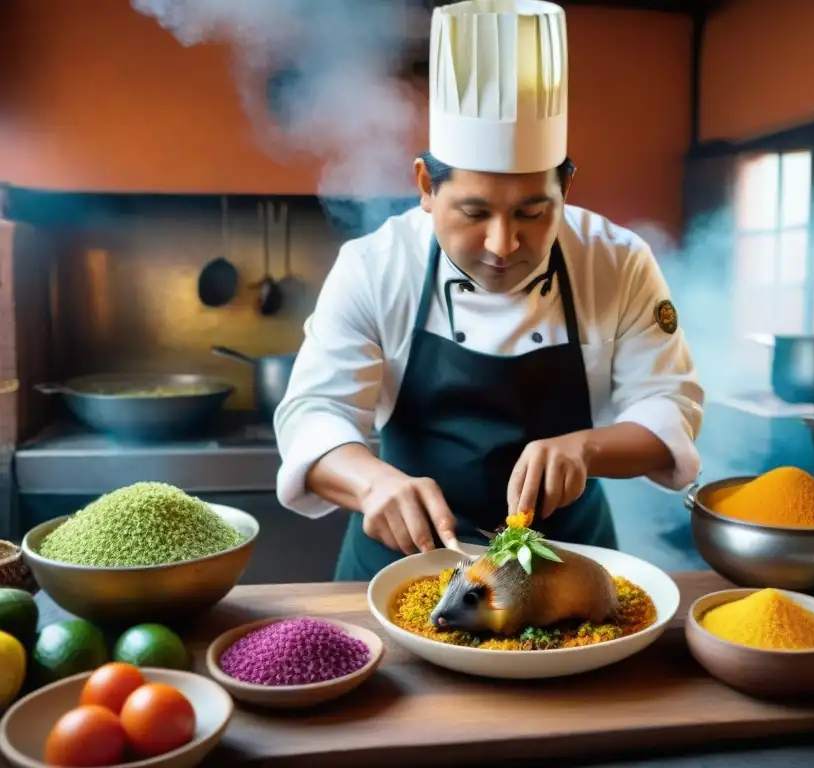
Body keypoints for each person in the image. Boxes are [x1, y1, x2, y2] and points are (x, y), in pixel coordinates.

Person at [274, 0, 704, 581]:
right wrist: (373, 482)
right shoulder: (375, 266)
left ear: (566, 186)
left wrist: (585, 449)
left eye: (533, 212)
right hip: (404, 567)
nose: (503, 244)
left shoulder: (617, 260)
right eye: (474, 212)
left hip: (570, 569)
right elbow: (314, 413)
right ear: (426, 186)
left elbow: (668, 407)